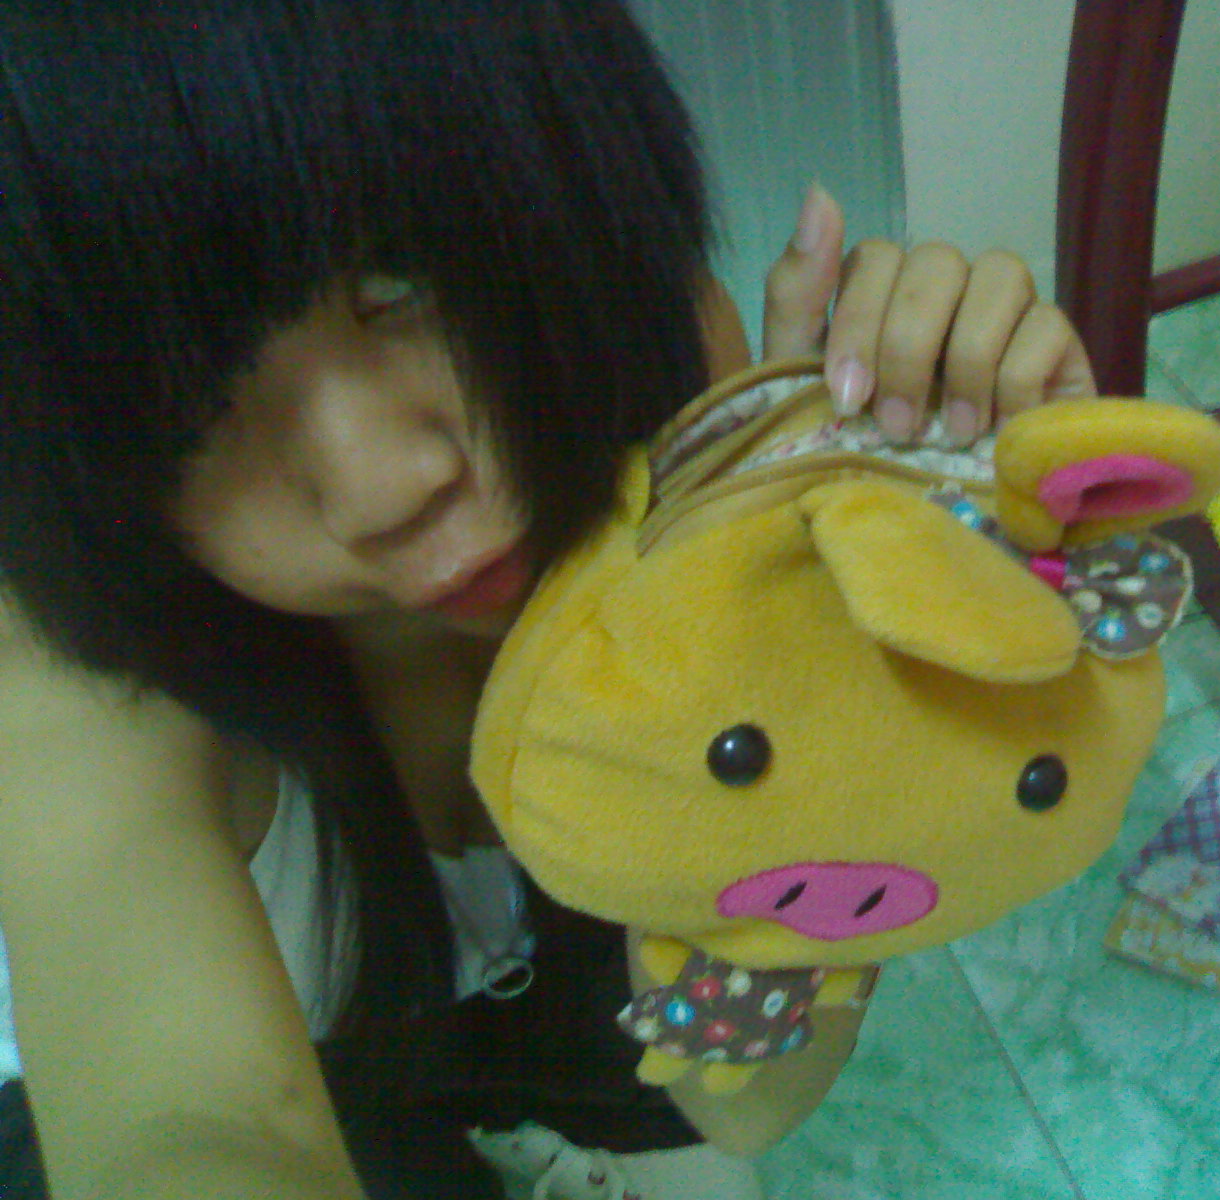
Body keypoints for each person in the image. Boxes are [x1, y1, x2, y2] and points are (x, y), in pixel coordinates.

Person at [0, 2, 1096, 1198]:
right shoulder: (82, 668)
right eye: (186, 401)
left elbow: (744, 1103)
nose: (386, 486)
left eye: (398, 275)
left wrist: (843, 659)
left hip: (577, 1026)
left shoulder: (662, 386)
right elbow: (192, 1132)